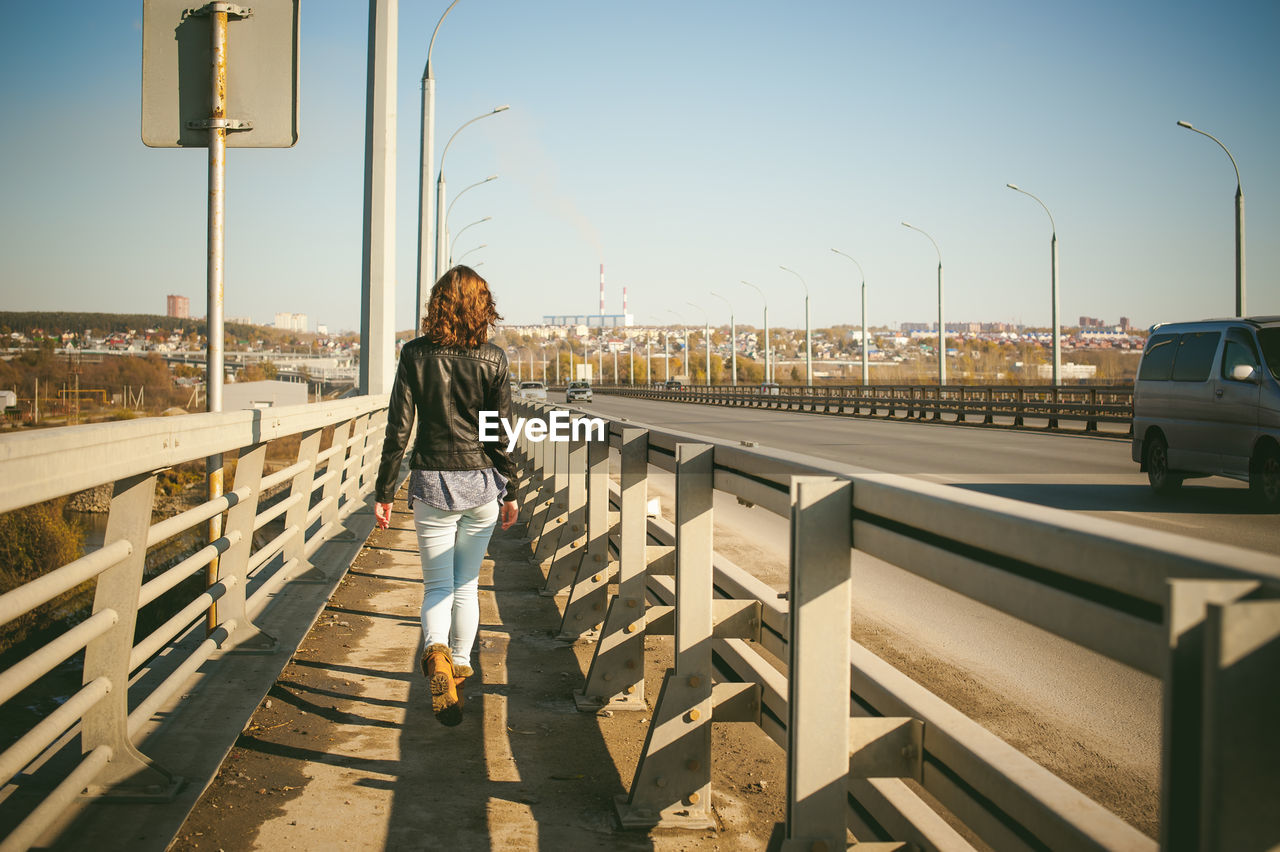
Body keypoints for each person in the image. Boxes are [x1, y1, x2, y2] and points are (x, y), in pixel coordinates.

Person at [374, 265, 518, 726]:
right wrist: (510, 489)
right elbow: (500, 434)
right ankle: (458, 661)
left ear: (436, 304)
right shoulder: (494, 359)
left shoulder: (414, 354)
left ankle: (434, 650)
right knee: (467, 584)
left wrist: (384, 489)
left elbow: (400, 428)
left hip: (432, 481)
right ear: (483, 308)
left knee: (436, 584)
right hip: (479, 484)